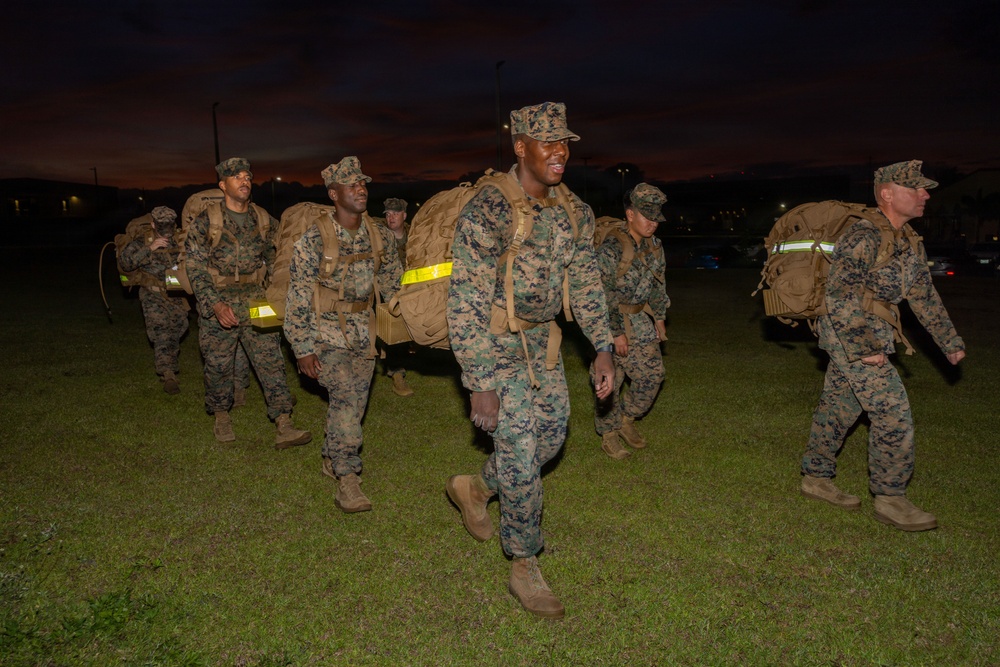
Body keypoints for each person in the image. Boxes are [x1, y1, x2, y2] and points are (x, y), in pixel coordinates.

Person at [444, 102, 615, 619]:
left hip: (543, 346)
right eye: (547, 142)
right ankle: (524, 563)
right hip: (494, 346)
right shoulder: (490, 209)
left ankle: (475, 486)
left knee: (551, 438)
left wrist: (603, 345)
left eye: (565, 143)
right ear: (521, 147)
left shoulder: (575, 212)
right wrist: (479, 380)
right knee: (520, 452)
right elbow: (465, 300)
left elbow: (585, 283)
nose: (559, 152)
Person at [800, 160, 966, 531]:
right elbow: (839, 295)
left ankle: (815, 476)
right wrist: (862, 346)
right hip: (850, 335)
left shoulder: (908, 241)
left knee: (840, 408)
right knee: (893, 411)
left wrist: (949, 341)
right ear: (888, 194)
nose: (925, 194)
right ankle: (891, 498)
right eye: (916, 188)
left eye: (925, 189)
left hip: (871, 334)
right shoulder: (864, 236)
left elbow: (923, 295)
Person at [283, 157, 403, 513]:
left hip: (364, 334)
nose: (361, 190)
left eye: (363, 184)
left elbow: (392, 281)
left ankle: (331, 456)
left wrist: (406, 323)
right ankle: (348, 478)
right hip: (324, 333)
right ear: (334, 194)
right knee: (348, 400)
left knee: (354, 403)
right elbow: (298, 295)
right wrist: (303, 348)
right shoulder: (315, 237)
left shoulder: (379, 234)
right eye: (352, 186)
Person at [184, 157, 311, 448]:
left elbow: (276, 255)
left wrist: (278, 290)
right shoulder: (207, 221)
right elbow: (195, 267)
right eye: (236, 177)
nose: (244, 181)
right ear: (223, 185)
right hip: (220, 299)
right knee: (217, 363)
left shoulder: (263, 218)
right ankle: (221, 416)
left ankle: (284, 423)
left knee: (270, 359)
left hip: (256, 297)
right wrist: (214, 305)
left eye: (247, 176)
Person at [593, 184, 670, 460]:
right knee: (609, 380)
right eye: (646, 216)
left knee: (652, 375)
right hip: (609, 321)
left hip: (640, 319)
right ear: (629, 214)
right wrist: (615, 333)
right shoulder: (612, 246)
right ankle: (609, 433)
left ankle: (626, 419)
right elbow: (604, 293)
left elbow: (658, 285)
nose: (652, 223)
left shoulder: (655, 246)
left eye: (656, 218)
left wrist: (659, 317)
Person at [118, 206, 190, 394]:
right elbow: (125, 262)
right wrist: (149, 248)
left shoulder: (180, 239)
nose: (166, 229)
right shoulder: (143, 240)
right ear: (153, 224)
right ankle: (168, 374)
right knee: (161, 331)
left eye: (169, 225)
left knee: (177, 329)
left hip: (176, 294)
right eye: (161, 226)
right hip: (152, 294)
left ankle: (169, 365)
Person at [379, 197, 415, 397]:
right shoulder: (379, 235)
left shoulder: (415, 235)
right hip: (383, 289)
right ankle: (397, 372)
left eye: (395, 214)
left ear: (404, 215)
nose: (390, 218)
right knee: (393, 323)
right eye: (387, 214)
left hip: (410, 287)